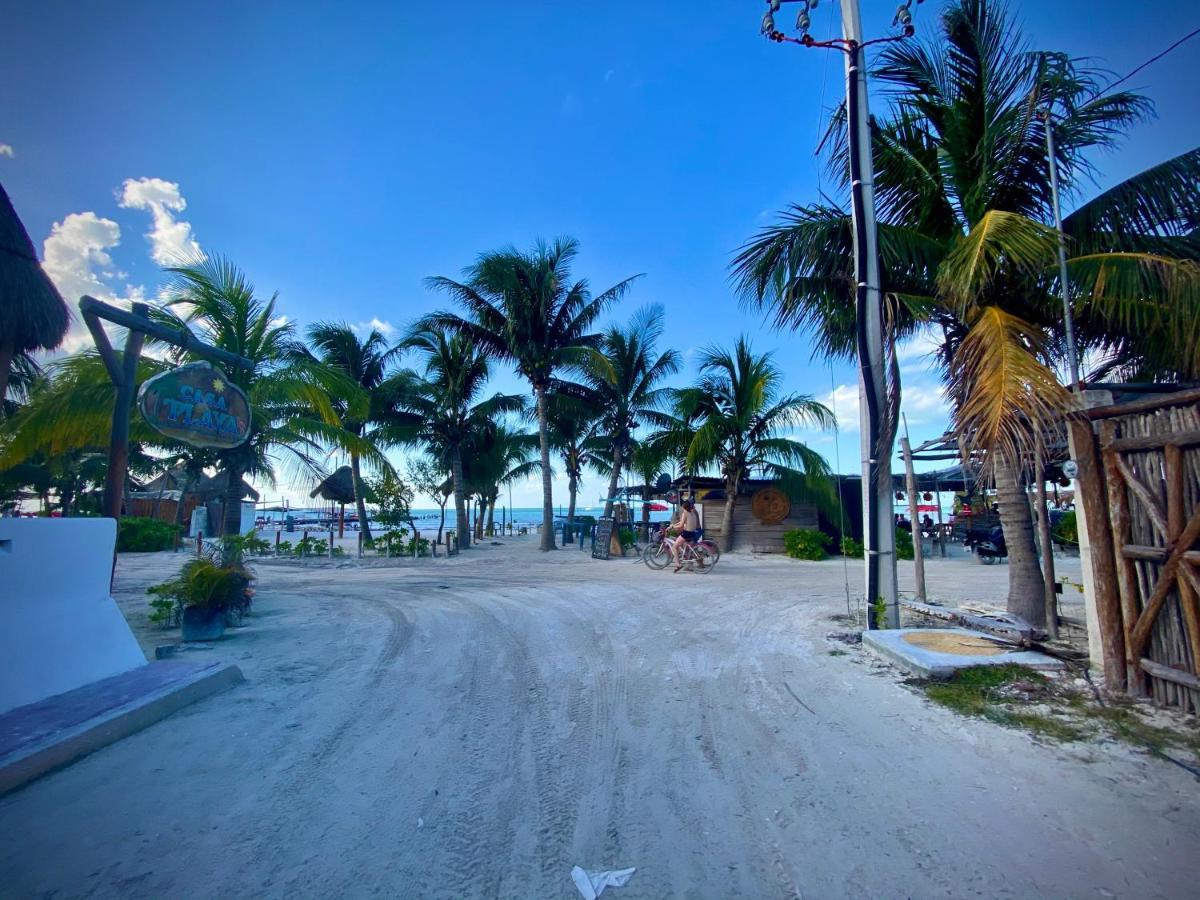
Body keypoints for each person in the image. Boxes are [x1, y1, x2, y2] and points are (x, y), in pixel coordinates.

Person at [670, 499, 703, 572]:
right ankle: (689, 563)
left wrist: (672, 527)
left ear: (684, 507)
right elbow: (682, 522)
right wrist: (674, 525)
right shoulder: (692, 512)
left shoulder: (685, 513)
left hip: (686, 533)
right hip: (692, 533)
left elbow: (681, 525)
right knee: (686, 547)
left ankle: (678, 564)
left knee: (674, 547)